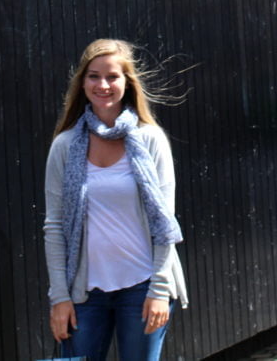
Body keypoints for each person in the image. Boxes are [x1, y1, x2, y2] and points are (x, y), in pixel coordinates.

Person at [44, 39, 187, 360]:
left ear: (127, 82)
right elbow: (54, 226)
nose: (103, 85)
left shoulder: (150, 140)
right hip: (84, 294)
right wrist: (60, 298)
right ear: (82, 82)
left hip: (142, 286)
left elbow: (165, 222)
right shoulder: (65, 146)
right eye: (94, 76)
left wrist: (160, 292)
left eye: (113, 76)